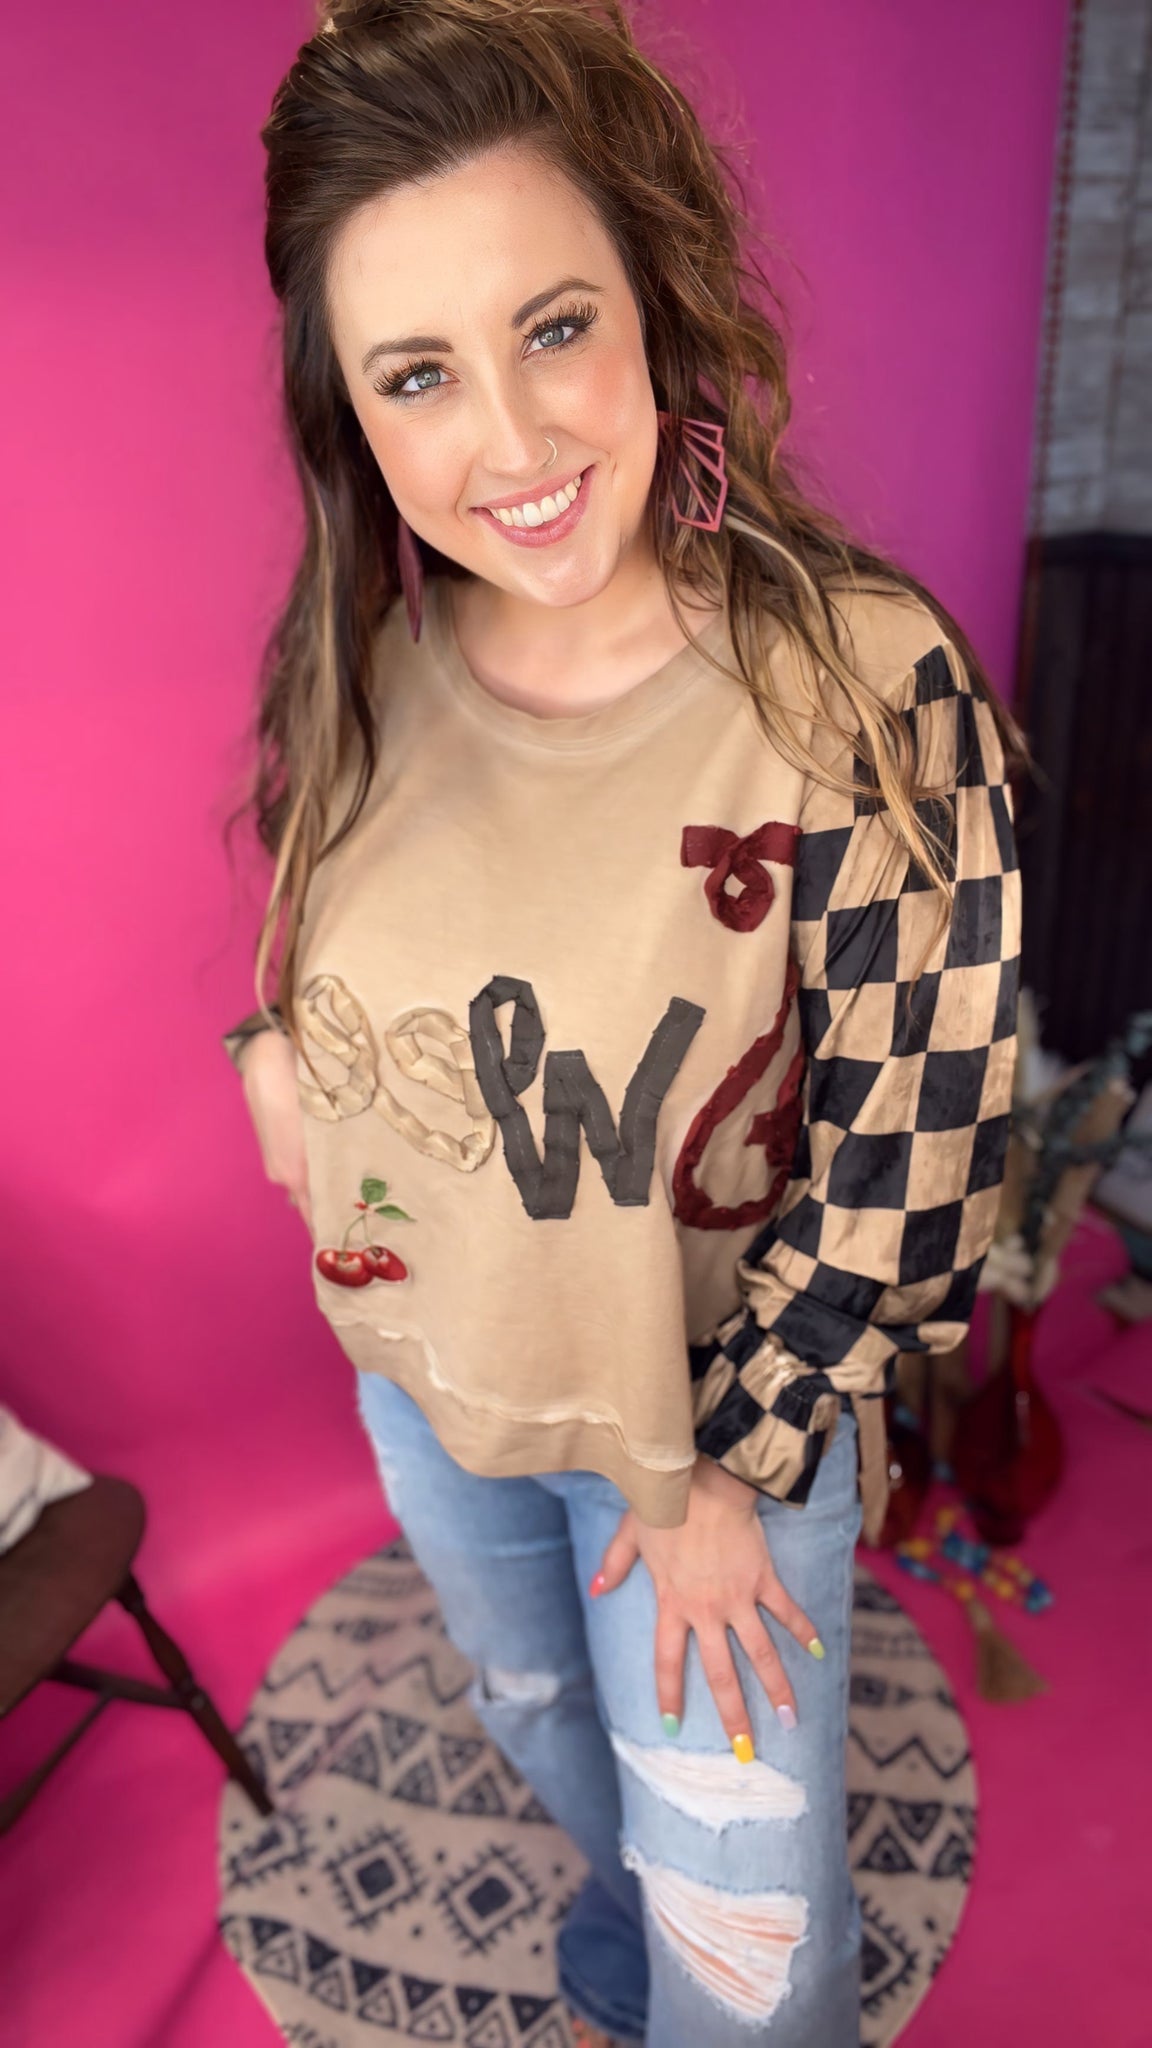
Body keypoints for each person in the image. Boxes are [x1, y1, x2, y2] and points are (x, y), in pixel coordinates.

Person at [221, 2, 1026, 2040]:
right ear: (352, 413)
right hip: (431, 1394)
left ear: (654, 298)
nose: (510, 441)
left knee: (749, 1958)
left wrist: (723, 1477)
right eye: (419, 373)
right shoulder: (371, 656)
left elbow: (918, 1157)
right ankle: (618, 1919)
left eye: (555, 327)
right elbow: (328, 925)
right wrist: (270, 1051)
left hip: (698, 1437)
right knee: (546, 1730)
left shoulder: (859, 685)